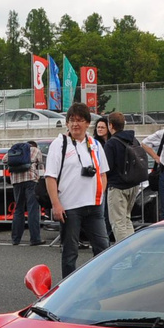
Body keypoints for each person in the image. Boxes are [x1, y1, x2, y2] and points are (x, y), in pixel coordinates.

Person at [47, 104, 112, 278]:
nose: (75, 124)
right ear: (67, 123)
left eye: (79, 120)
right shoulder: (59, 144)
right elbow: (50, 177)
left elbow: (103, 174)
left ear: (88, 123)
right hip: (70, 207)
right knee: (70, 253)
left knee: (102, 248)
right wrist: (56, 204)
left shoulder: (95, 144)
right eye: (72, 120)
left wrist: (100, 194)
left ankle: (102, 284)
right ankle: (68, 291)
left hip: (94, 206)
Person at [103, 112, 140, 241]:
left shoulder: (112, 143)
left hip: (117, 186)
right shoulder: (133, 140)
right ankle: (133, 249)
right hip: (133, 184)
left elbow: (107, 167)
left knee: (117, 223)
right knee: (126, 219)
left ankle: (125, 253)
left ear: (110, 125)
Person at [8, 139, 44, 246]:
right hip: (30, 180)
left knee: (18, 208)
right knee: (32, 209)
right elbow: (41, 167)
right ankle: (35, 239)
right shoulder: (36, 150)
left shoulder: (15, 150)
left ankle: (16, 239)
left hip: (16, 181)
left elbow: (5, 160)